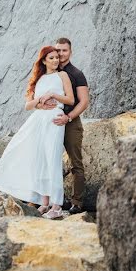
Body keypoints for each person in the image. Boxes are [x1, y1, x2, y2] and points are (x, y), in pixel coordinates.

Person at [0, 46, 75, 219]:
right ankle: (44, 203)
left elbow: (70, 99)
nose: (55, 61)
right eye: (51, 58)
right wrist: (40, 102)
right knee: (39, 160)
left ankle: (57, 205)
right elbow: (28, 105)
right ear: (43, 60)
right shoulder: (39, 79)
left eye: (56, 58)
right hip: (39, 119)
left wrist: (53, 94)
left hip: (55, 118)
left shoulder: (62, 75)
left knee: (52, 159)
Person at [37, 37, 89, 214]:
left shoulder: (76, 74)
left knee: (76, 163)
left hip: (71, 122)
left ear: (70, 52)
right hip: (51, 122)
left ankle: (77, 202)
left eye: (64, 50)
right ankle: (53, 200)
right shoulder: (50, 73)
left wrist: (68, 117)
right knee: (49, 161)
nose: (60, 54)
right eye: (57, 51)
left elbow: (83, 101)